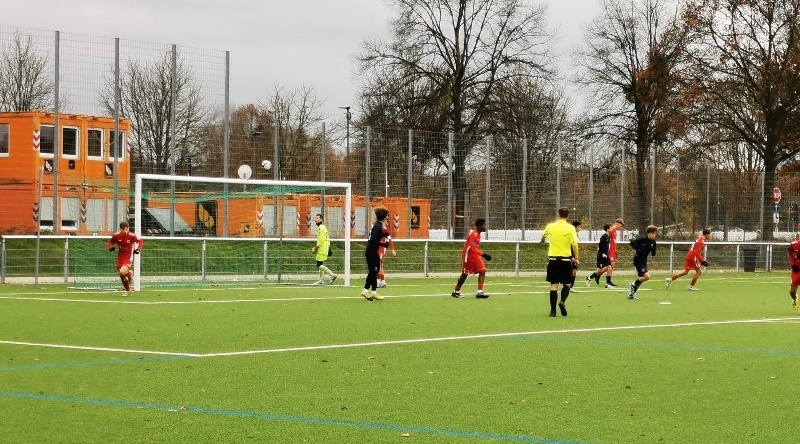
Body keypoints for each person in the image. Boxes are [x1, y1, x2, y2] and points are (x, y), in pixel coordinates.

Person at [540, 207, 579, 317]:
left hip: (553, 260)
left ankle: (553, 311)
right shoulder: (570, 228)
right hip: (565, 260)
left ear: (558, 214)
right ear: (568, 216)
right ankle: (562, 301)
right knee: (567, 283)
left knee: (554, 285)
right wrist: (576, 257)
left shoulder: (550, 226)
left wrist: (542, 241)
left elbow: (544, 236)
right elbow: (575, 244)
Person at [451, 218, 492, 299]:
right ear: (480, 226)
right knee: (465, 274)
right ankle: (456, 291)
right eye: (484, 225)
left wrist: (481, 255)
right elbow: (472, 249)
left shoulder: (478, 234)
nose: (486, 227)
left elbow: (475, 248)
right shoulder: (474, 234)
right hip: (468, 256)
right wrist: (483, 255)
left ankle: (480, 292)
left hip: (475, 255)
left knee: (482, 271)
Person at [106, 221, 143, 296]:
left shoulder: (132, 236)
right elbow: (110, 242)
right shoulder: (116, 236)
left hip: (128, 256)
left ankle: (128, 278)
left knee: (122, 272)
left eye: (127, 229)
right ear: (120, 229)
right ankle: (128, 289)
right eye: (124, 229)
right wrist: (110, 247)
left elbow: (140, 241)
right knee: (121, 274)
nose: (125, 231)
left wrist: (138, 249)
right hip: (121, 256)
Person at [362, 206, 390, 301]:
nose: (387, 217)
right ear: (384, 217)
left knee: (373, 271)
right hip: (372, 251)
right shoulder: (379, 226)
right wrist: (383, 244)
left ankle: (366, 291)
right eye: (387, 215)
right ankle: (373, 292)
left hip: (370, 250)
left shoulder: (376, 224)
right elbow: (373, 240)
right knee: (374, 271)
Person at [627, 225, 658, 300]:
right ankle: (633, 284)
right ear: (648, 233)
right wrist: (637, 249)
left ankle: (631, 294)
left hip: (644, 261)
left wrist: (653, 251)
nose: (653, 235)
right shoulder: (642, 240)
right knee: (647, 276)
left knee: (641, 279)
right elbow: (632, 243)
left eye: (654, 234)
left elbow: (653, 253)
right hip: (638, 260)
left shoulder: (653, 242)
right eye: (652, 233)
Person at [311, 213, 337, 285]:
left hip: (322, 248)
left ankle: (332, 275)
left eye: (317, 218)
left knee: (319, 265)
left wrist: (315, 247)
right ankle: (321, 280)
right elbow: (326, 239)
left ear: (321, 219)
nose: (316, 220)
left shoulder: (321, 228)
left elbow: (321, 240)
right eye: (315, 218)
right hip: (324, 247)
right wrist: (328, 248)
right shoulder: (323, 227)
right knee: (321, 264)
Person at [605, 218, 625, 288]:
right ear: (618, 224)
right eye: (621, 226)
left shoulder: (615, 231)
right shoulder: (612, 229)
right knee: (610, 265)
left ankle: (607, 280)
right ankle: (606, 281)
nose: (621, 228)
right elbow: (606, 238)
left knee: (612, 266)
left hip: (613, 250)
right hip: (610, 251)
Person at [377, 221, 397, 288]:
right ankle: (383, 281)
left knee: (378, 264)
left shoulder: (385, 229)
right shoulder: (375, 228)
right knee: (380, 265)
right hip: (377, 248)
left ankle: (378, 281)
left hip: (382, 248)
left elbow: (390, 239)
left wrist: (392, 249)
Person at [788, 234, 800, 310]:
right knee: (792, 292)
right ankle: (795, 299)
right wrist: (792, 264)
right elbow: (790, 253)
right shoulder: (794, 245)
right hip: (797, 270)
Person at [570, 220, 582, 291]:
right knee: (571, 271)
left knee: (574, 270)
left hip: (574, 255)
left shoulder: (576, 235)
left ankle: (571, 287)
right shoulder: (570, 235)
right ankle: (568, 286)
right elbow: (569, 246)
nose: (580, 228)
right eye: (578, 227)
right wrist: (572, 257)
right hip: (570, 255)